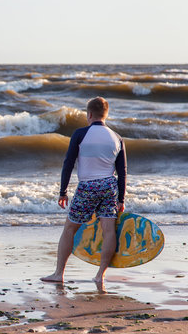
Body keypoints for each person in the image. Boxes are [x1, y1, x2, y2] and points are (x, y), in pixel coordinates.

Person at [41, 96, 126, 288]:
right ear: (106, 114)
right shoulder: (117, 138)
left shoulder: (80, 134)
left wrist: (63, 191)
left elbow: (68, 163)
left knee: (70, 228)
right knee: (108, 230)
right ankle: (100, 275)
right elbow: (122, 171)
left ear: (88, 115)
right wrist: (121, 198)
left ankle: (58, 274)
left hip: (88, 186)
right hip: (109, 186)